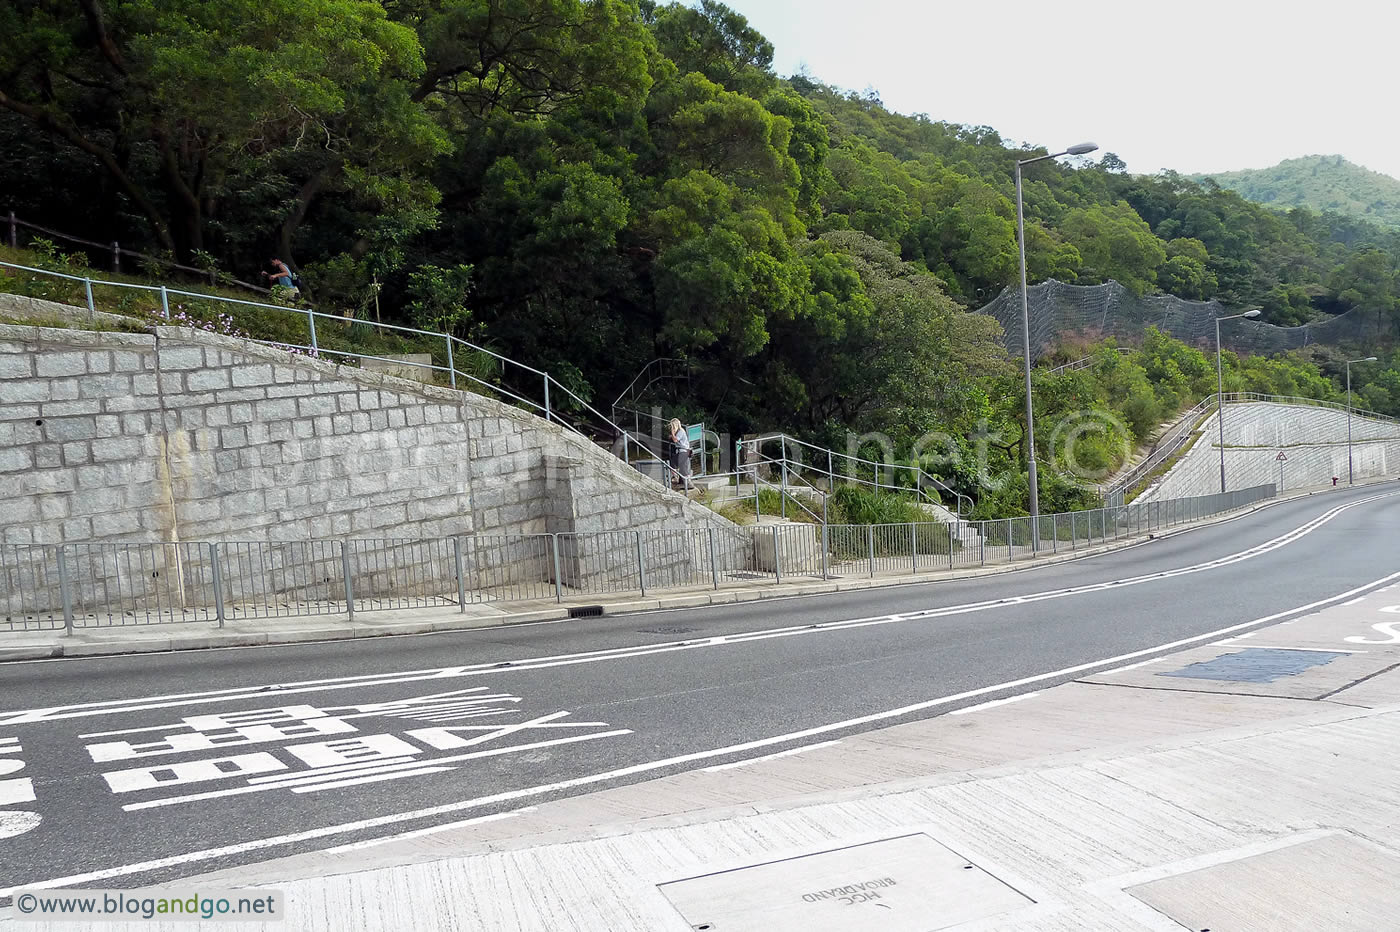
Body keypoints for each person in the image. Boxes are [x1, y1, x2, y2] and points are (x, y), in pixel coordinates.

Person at [668, 417, 692, 491]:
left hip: (683, 451)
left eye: (672, 426)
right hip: (681, 451)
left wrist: (672, 433)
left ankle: (676, 477)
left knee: (673, 463)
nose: (672, 428)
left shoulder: (681, 431)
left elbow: (675, 440)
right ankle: (682, 481)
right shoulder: (679, 431)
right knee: (681, 467)